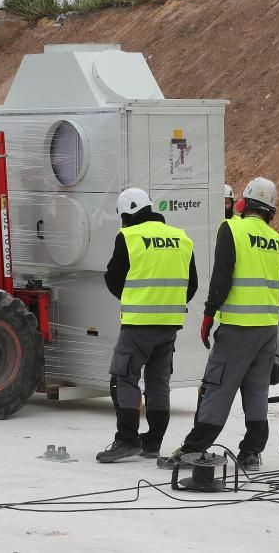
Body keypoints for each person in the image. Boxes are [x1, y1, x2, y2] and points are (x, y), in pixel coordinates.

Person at [159, 177, 279, 472]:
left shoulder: (232, 229)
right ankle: (252, 452)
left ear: (244, 204)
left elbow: (222, 277)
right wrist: (266, 324)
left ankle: (194, 449)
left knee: (216, 387)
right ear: (270, 211)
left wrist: (209, 315)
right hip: (267, 330)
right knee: (256, 390)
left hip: (236, 328)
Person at [96, 187, 198, 463]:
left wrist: (135, 298)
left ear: (127, 213)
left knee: (123, 377)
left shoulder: (129, 237)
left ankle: (127, 439)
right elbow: (193, 284)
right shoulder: (181, 237)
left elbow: (113, 277)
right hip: (170, 324)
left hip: (138, 323)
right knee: (158, 382)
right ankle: (153, 442)